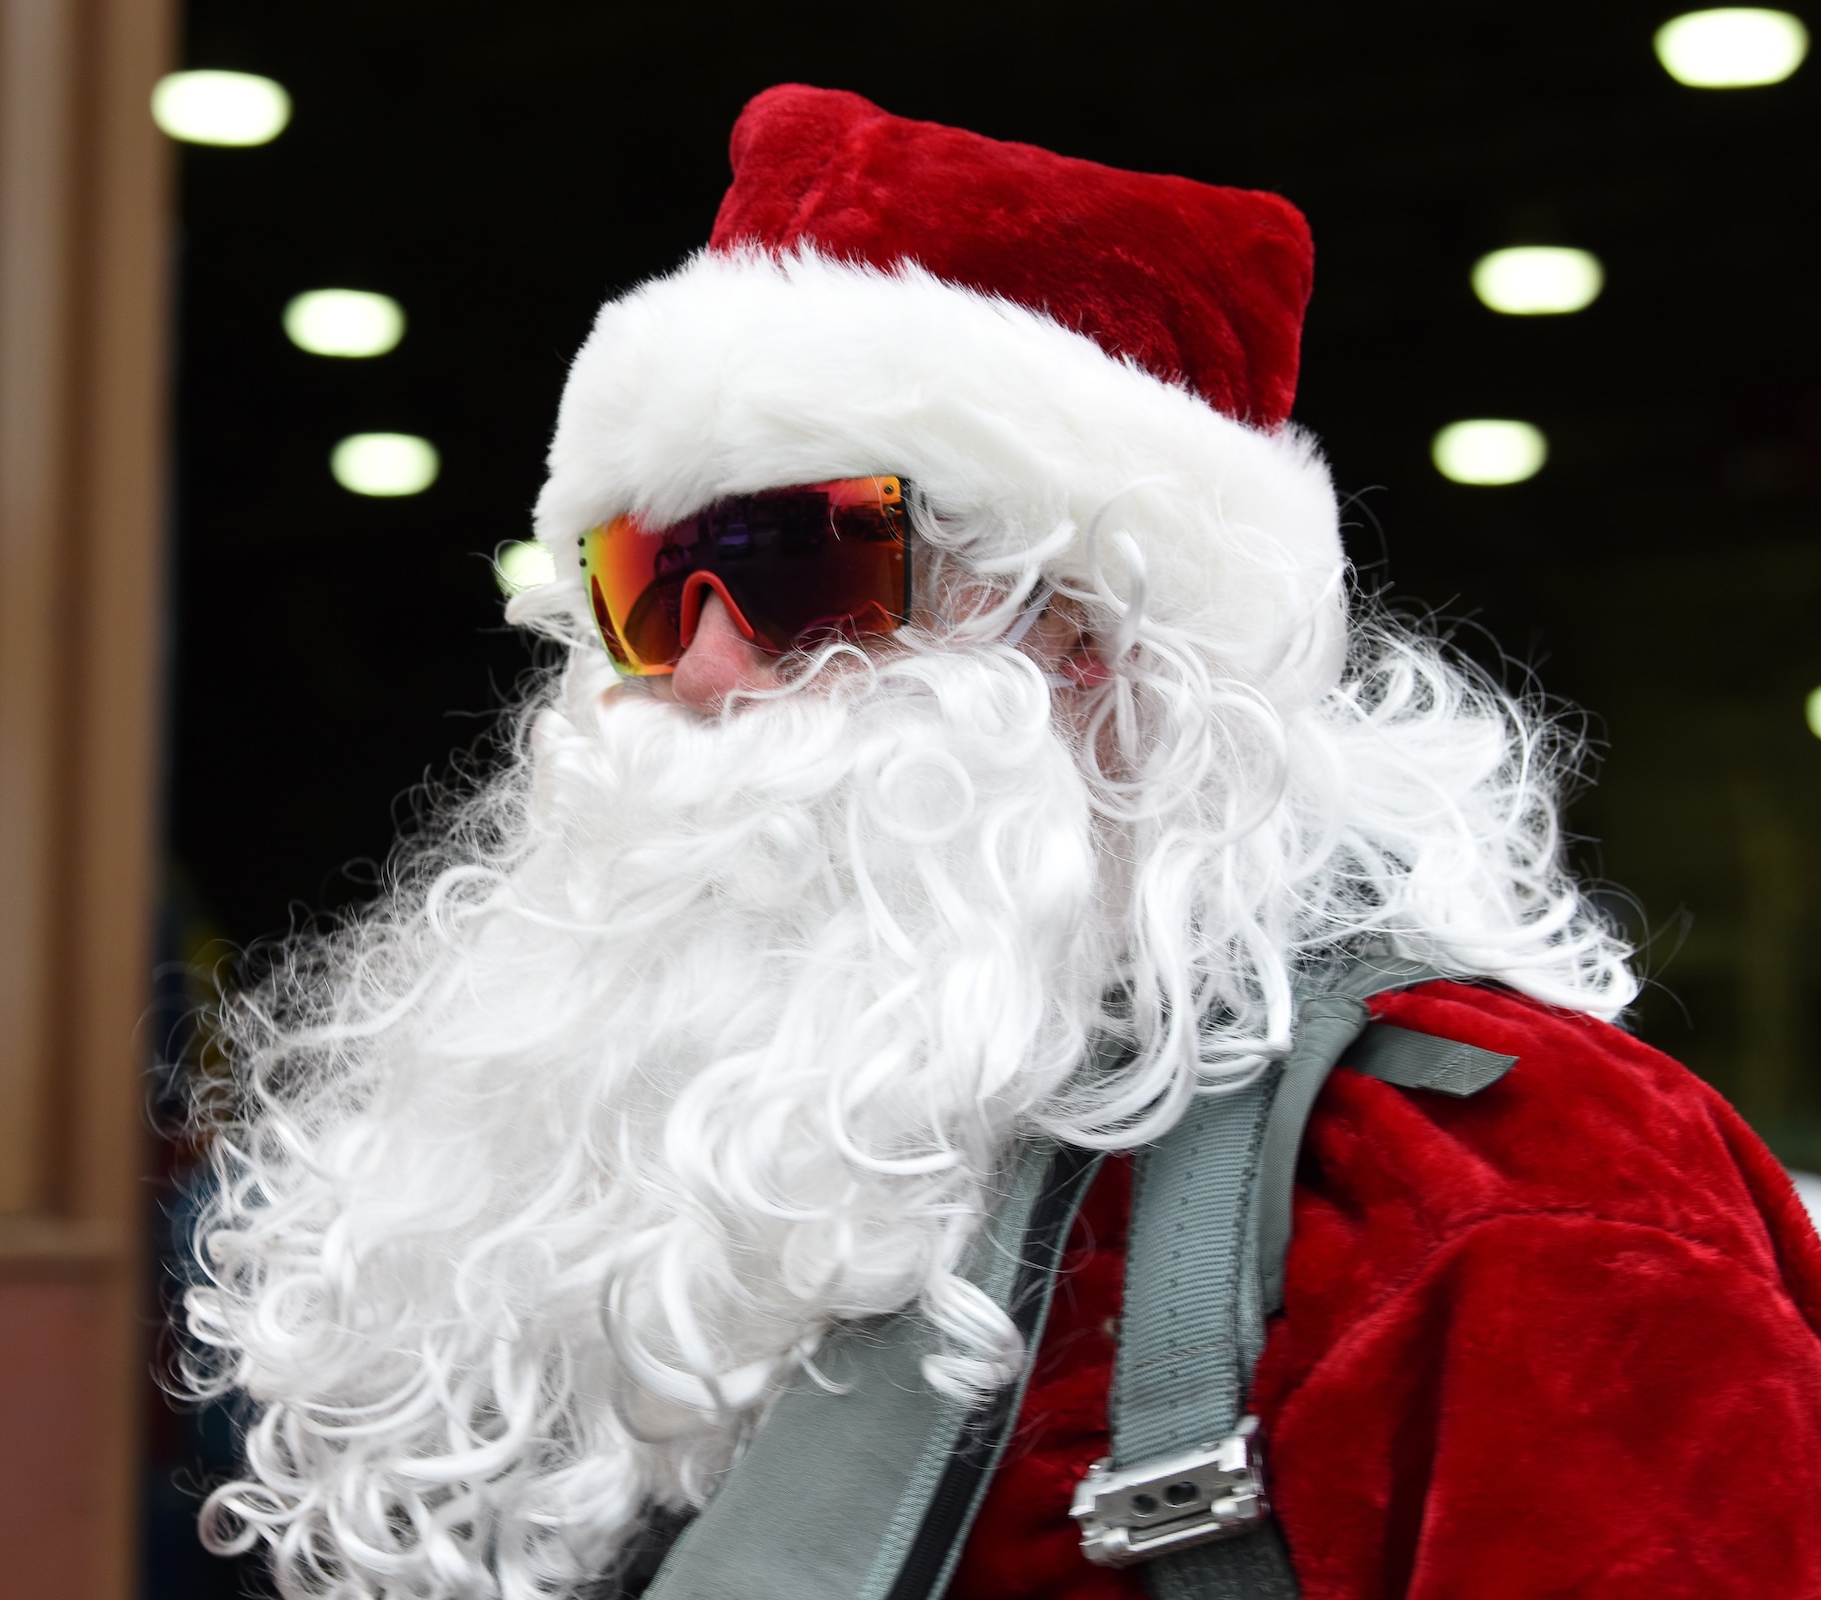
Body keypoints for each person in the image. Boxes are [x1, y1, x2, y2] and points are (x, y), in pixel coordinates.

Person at [182, 85, 1821, 1600]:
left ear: (1100, 627)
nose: (693, 664)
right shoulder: (696, 1169)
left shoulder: (1503, 1187)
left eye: (783, 561)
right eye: (638, 584)